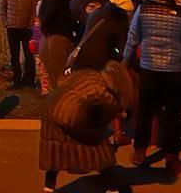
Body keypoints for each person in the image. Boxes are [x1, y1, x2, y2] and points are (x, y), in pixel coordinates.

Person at [123, 0, 181, 175]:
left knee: (145, 112)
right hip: (174, 72)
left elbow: (132, 37)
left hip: (148, 69)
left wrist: (125, 62)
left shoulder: (143, 9)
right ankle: (172, 159)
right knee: (173, 117)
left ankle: (140, 152)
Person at [37, 61, 136, 193]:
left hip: (52, 110)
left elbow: (62, 81)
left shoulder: (90, 74)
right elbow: (101, 123)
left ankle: (48, 188)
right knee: (101, 154)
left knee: (56, 152)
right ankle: (113, 188)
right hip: (74, 116)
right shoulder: (106, 95)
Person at [0, 0, 40, 89]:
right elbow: (2, 8)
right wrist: (5, 23)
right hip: (12, 28)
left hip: (26, 28)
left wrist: (31, 24)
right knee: (14, 56)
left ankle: (29, 79)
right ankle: (16, 80)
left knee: (29, 55)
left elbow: (35, 7)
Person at [36, 0, 74, 91]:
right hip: (51, 29)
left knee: (56, 64)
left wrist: (44, 21)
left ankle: (63, 94)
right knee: (48, 58)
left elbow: (52, 6)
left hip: (57, 29)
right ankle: (57, 91)